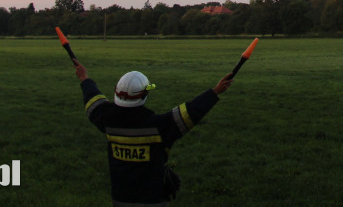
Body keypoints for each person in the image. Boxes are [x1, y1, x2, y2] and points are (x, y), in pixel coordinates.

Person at [74, 60, 233, 206]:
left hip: (120, 199)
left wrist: (84, 78)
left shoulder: (107, 120)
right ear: (144, 95)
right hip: (153, 200)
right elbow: (191, 111)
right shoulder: (159, 126)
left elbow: (93, 100)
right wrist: (215, 91)